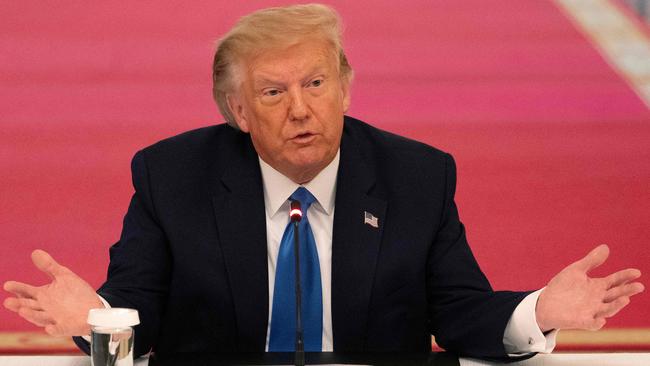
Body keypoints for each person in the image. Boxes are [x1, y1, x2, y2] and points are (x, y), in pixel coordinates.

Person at [3, 4, 644, 361]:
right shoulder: (171, 177)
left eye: (315, 84)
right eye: (274, 92)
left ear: (345, 87)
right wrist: (91, 321)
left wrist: (538, 312)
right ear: (238, 112)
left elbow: (461, 313)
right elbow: (136, 320)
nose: (301, 110)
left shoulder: (418, 175)